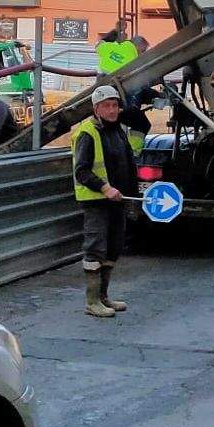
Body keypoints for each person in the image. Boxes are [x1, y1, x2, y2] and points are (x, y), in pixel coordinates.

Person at [71, 84, 141, 318]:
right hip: (97, 202)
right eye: (106, 106)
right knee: (95, 249)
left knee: (113, 247)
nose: (111, 110)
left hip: (116, 201)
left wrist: (133, 195)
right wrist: (105, 188)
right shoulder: (88, 133)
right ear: (96, 109)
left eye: (114, 105)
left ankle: (103, 297)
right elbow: (81, 171)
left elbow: (127, 164)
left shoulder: (118, 130)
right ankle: (92, 301)